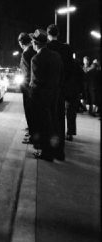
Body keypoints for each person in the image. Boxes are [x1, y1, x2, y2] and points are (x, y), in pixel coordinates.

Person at [29, 29, 63, 161]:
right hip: (55, 95)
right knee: (54, 125)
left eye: (33, 41)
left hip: (41, 99)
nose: (32, 43)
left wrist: (32, 97)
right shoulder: (56, 56)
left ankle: (46, 153)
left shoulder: (36, 59)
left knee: (43, 126)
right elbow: (61, 76)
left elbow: (36, 82)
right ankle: (55, 151)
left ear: (36, 43)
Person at [46, 24, 74, 156]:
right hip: (62, 89)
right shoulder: (67, 49)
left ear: (48, 34)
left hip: (49, 89)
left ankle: (51, 148)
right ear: (59, 34)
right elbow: (70, 70)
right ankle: (60, 150)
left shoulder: (47, 47)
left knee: (50, 120)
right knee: (60, 119)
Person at [18, 32, 35, 144]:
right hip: (34, 87)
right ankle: (32, 131)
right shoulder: (34, 51)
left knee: (29, 111)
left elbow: (26, 73)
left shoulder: (26, 53)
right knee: (33, 112)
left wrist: (23, 86)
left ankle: (32, 135)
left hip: (28, 88)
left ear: (21, 43)